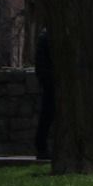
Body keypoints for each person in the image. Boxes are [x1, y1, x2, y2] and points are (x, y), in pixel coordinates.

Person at [34, 28, 55, 160]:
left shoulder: (44, 36)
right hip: (51, 81)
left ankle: (42, 146)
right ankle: (42, 147)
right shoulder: (48, 37)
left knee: (46, 115)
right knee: (47, 115)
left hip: (49, 81)